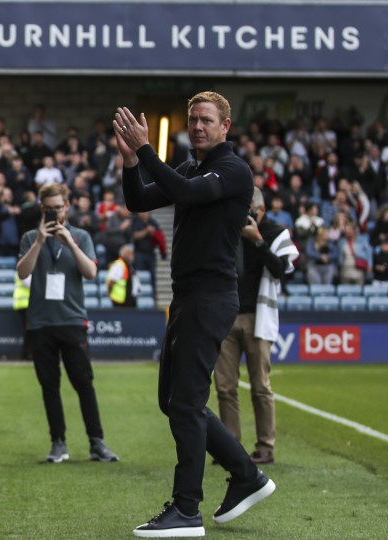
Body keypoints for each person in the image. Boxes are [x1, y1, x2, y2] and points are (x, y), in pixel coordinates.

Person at [115, 92, 275, 537]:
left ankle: (187, 509)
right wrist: (131, 161)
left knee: (185, 403)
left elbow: (184, 193)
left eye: (206, 120)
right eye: (193, 120)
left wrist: (146, 149)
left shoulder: (234, 170)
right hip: (186, 297)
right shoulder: (189, 168)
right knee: (173, 401)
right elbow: (138, 201)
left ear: (226, 126)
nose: (198, 126)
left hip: (211, 296)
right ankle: (246, 474)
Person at [17, 182, 119, 464]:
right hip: (40, 322)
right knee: (49, 386)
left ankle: (96, 442)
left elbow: (91, 273)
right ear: (42, 209)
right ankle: (58, 443)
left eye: (59, 208)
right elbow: (22, 273)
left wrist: (70, 243)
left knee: (84, 383)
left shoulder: (81, 236)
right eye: (49, 209)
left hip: (72, 320)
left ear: (67, 207)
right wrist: (39, 242)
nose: (55, 213)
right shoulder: (30, 237)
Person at [214, 188, 298, 466]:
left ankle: (265, 446)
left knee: (260, 386)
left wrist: (258, 241)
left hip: (257, 316)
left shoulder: (275, 232)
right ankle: (230, 447)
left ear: (260, 210)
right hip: (226, 315)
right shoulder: (225, 228)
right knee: (225, 386)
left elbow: (282, 270)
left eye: (246, 208)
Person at [106, 244, 139, 308]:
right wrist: (109, 294)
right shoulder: (119, 264)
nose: (132, 255)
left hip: (130, 299)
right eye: (130, 253)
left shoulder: (130, 265)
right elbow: (110, 281)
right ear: (125, 253)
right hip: (119, 300)